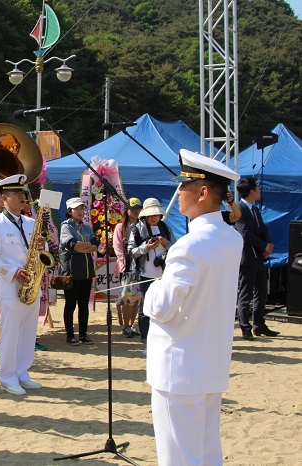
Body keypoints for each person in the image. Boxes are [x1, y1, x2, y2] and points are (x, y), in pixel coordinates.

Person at [144, 148, 242, 465]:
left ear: (202, 192)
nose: (179, 192)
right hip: (210, 366)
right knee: (206, 452)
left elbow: (163, 308)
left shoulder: (189, 244)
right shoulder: (231, 237)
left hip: (179, 369)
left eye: (184, 185)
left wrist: (153, 286)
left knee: (178, 457)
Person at [0, 174, 45, 395]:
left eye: (22, 193)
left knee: (28, 331)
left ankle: (22, 372)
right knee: (10, 333)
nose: (22, 197)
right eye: (16, 194)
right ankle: (7, 376)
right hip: (10, 286)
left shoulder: (30, 223)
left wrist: (39, 248)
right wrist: (13, 272)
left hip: (31, 283)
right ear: (5, 198)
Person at [235, 176, 279, 339]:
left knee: (261, 292)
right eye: (257, 189)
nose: (260, 191)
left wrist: (268, 245)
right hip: (247, 257)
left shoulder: (254, 208)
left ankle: (259, 324)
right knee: (245, 294)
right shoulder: (240, 209)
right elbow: (245, 233)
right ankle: (245, 327)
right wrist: (264, 246)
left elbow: (262, 227)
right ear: (252, 191)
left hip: (259, 257)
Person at [127, 198, 175, 347]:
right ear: (145, 216)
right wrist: (146, 247)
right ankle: (146, 339)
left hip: (164, 274)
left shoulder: (166, 228)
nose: (154, 218)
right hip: (144, 274)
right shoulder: (136, 229)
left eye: (156, 215)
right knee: (145, 308)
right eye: (151, 215)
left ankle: (164, 337)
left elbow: (176, 247)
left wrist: (166, 243)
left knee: (165, 306)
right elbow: (131, 251)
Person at [60, 197, 99, 346]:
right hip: (71, 272)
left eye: (82, 208)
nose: (80, 211)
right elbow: (72, 245)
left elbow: (97, 246)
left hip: (87, 271)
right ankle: (70, 335)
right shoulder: (66, 226)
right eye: (77, 208)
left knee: (84, 304)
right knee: (70, 304)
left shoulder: (87, 227)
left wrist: (83, 247)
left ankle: (83, 334)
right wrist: (87, 246)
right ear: (69, 211)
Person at [112, 197, 142, 338]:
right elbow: (117, 247)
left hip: (141, 267)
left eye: (138, 208)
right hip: (127, 267)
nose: (136, 211)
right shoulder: (120, 227)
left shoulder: (143, 225)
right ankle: (126, 326)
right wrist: (123, 263)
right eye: (134, 208)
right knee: (127, 299)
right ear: (127, 210)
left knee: (136, 299)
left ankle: (132, 324)